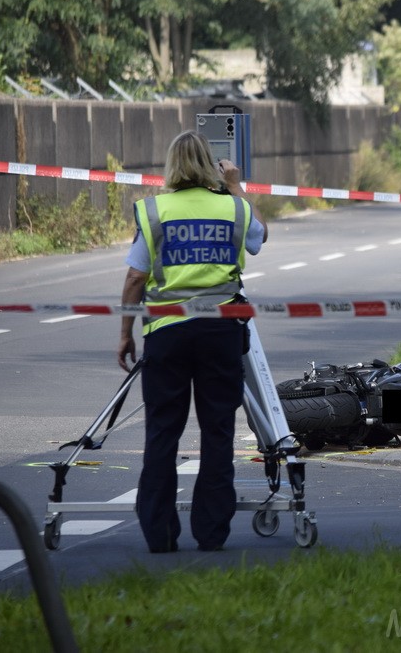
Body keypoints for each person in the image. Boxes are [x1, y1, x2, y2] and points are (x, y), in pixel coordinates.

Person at [117, 130, 267, 553]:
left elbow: (135, 276)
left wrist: (126, 333)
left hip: (167, 334)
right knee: (217, 431)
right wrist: (235, 183)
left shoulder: (153, 211)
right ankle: (211, 532)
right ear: (210, 163)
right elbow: (259, 238)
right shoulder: (233, 207)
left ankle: (161, 535)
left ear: (170, 165)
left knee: (163, 432)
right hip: (221, 333)